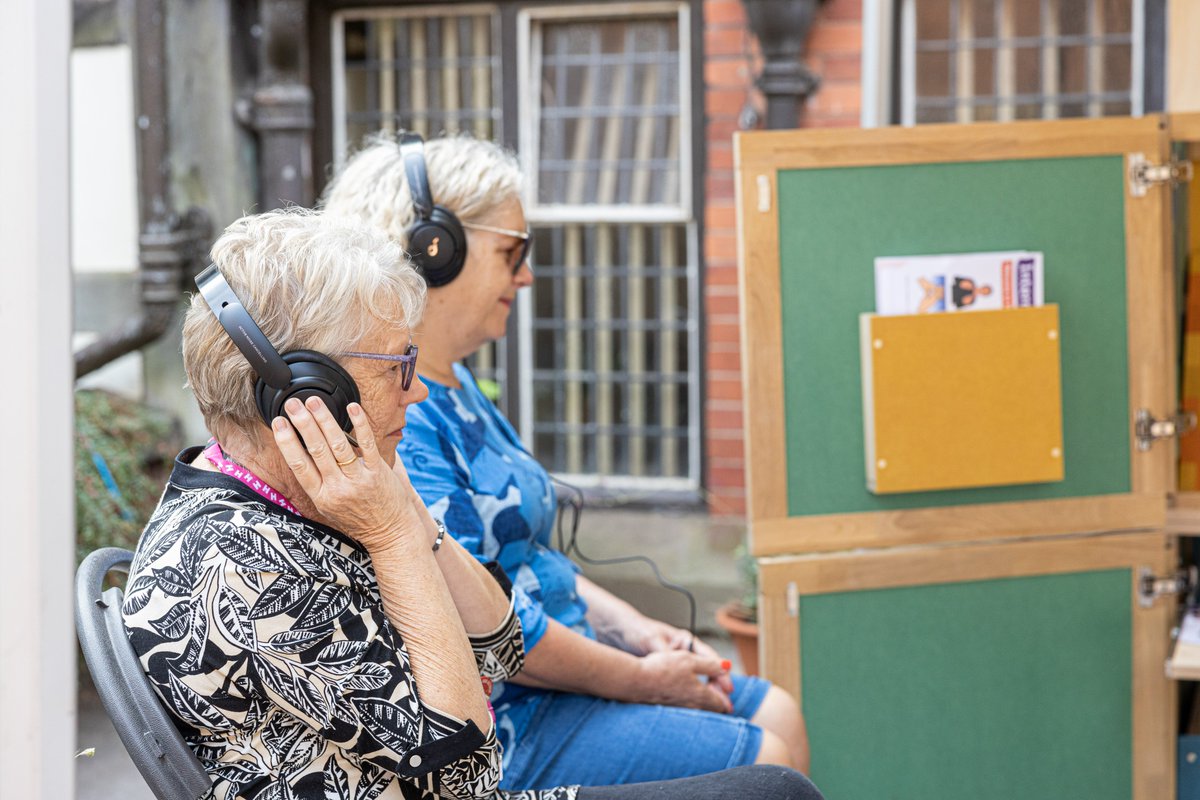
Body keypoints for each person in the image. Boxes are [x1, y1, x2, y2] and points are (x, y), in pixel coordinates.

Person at [120, 209, 823, 800]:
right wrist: (393, 536)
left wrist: (409, 518)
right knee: (772, 790)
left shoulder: (303, 500)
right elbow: (463, 770)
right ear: (308, 394)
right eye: (398, 367)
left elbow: (500, 644)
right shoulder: (243, 567)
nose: (416, 390)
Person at [322, 133, 811, 792]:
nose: (526, 276)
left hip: (572, 672)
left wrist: (637, 629)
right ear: (435, 250)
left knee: (781, 711)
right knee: (767, 757)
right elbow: (484, 622)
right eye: (511, 251)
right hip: (516, 713)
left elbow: (534, 562)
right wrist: (640, 679)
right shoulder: (404, 419)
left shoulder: (459, 387)